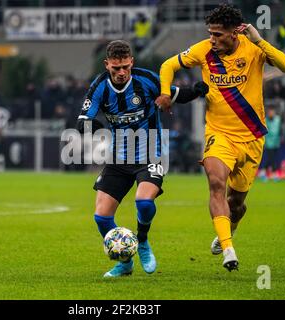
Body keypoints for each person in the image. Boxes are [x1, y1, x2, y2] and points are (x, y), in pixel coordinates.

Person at [155, 4, 285, 271]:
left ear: (234, 33)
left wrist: (259, 39)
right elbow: (168, 65)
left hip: (251, 137)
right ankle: (229, 250)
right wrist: (165, 92)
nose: (212, 39)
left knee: (236, 204)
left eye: (218, 34)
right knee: (216, 183)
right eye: (211, 33)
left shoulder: (253, 49)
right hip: (218, 134)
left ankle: (228, 228)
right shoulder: (204, 50)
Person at [76, 40, 208, 277]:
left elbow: (177, 94)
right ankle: (125, 263)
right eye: (116, 68)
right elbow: (82, 122)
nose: (121, 72)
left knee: (144, 202)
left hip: (151, 153)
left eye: (125, 66)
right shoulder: (99, 87)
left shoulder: (146, 80)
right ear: (107, 65)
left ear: (132, 62)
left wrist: (198, 91)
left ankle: (143, 241)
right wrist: (92, 126)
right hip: (118, 158)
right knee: (101, 217)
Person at [261, 106, 282, 180]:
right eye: (270, 112)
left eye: (272, 112)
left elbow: (281, 130)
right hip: (268, 143)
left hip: (276, 142)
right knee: (270, 158)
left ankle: (267, 172)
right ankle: (270, 173)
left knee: (274, 159)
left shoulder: (278, 120)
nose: (271, 113)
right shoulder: (265, 120)